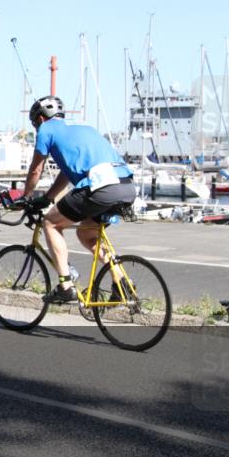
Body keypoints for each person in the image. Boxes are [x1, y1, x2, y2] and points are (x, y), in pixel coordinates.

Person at [22, 96, 137, 303]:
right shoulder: (84, 127)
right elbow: (66, 173)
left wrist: (26, 197)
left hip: (101, 187)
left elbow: (35, 170)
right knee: (88, 236)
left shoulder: (46, 129)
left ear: (40, 119)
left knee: (50, 223)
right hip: (126, 186)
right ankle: (122, 283)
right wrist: (48, 197)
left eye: (35, 124)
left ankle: (65, 285)